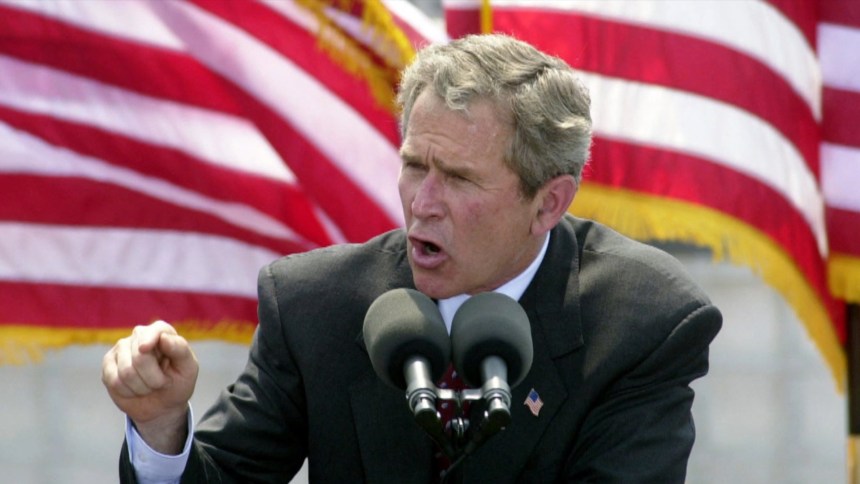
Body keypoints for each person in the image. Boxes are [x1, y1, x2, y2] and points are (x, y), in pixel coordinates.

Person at [102, 34, 722, 483]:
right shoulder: (314, 305)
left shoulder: (643, 323)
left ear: (548, 203)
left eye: (459, 178)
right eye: (414, 166)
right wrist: (162, 426)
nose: (423, 203)